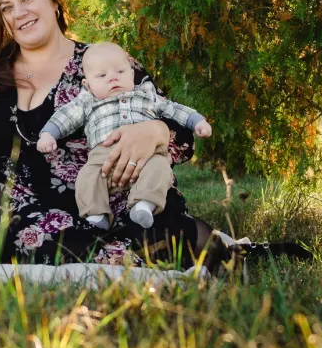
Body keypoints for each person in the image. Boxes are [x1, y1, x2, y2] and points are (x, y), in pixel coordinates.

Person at [0, 0, 218, 266]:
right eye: (7, 7)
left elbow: (181, 132)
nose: (19, 13)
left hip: (121, 208)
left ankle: (174, 242)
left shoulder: (102, 63)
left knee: (164, 238)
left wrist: (155, 131)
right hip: (34, 229)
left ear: (53, 0)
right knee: (41, 245)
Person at [36, 42, 212, 230]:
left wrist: (197, 121)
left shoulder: (146, 94)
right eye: (102, 75)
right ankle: (96, 214)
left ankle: (144, 204)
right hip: (103, 158)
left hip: (147, 155)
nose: (112, 78)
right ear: (87, 84)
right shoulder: (87, 101)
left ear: (131, 74)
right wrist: (48, 134)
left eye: (120, 72)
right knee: (87, 177)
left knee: (160, 167)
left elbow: (174, 109)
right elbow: (65, 116)